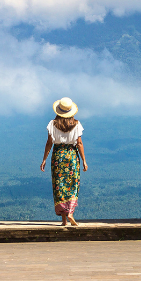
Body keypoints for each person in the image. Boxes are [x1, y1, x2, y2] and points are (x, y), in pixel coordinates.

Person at [40, 96, 87, 227]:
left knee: (59, 186)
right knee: (73, 185)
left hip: (58, 156)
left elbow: (49, 143)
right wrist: (84, 160)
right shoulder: (77, 124)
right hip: (72, 156)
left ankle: (64, 221)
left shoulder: (52, 124)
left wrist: (44, 159)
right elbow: (79, 143)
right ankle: (70, 212)